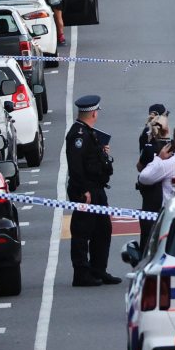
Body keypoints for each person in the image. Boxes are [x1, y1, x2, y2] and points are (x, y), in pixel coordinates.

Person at [66, 95, 120, 287]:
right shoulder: (78, 135)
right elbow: (76, 166)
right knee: (82, 231)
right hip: (86, 190)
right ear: (93, 113)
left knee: (102, 229)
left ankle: (98, 269)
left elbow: (92, 159)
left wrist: (103, 152)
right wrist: (84, 191)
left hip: (97, 188)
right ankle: (81, 273)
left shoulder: (90, 133)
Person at [136, 109, 170, 247]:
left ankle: (145, 254)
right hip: (168, 193)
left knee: (147, 229)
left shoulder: (149, 148)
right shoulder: (172, 146)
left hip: (150, 192)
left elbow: (140, 167)